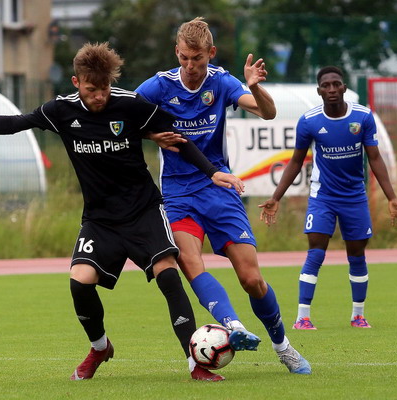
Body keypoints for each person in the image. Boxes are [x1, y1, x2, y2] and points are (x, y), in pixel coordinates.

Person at [0, 42, 246, 382]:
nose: (100, 96)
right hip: (100, 220)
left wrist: (211, 172)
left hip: (144, 211)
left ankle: (196, 365)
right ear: (77, 82)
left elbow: (177, 137)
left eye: (104, 88)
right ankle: (100, 347)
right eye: (92, 90)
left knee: (168, 275)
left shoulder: (130, 104)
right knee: (80, 282)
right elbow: (15, 122)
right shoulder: (61, 111)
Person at [136, 17, 311, 374]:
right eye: (184, 57)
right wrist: (152, 135)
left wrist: (255, 87)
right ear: (176, 52)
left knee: (252, 279)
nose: (190, 66)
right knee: (190, 261)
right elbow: (122, 118)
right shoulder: (158, 86)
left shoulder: (221, 81)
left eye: (197, 58)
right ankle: (234, 326)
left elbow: (267, 112)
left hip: (220, 190)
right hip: (178, 194)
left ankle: (283, 346)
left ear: (211, 53)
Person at [259, 66, 397, 330]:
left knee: (357, 254)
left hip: (354, 197)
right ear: (319, 91)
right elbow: (296, 161)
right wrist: (276, 197)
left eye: (336, 84)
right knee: (316, 252)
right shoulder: (309, 121)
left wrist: (392, 197)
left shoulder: (363, 117)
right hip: (323, 197)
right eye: (326, 85)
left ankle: (358, 316)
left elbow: (375, 158)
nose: (331, 89)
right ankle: (302, 317)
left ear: (344, 88)